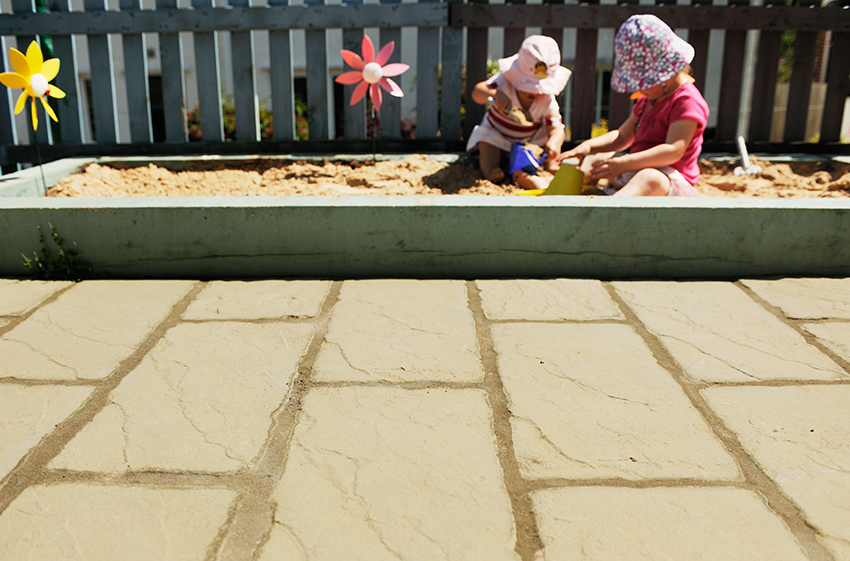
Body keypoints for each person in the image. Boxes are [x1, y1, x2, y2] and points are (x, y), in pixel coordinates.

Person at [522, 15, 709, 196]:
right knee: (595, 162)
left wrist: (624, 163)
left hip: (671, 180)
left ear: (667, 74)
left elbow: (673, 151)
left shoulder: (686, 101)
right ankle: (550, 185)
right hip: (635, 168)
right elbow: (621, 137)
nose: (640, 89)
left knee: (648, 178)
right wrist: (587, 147)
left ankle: (609, 212)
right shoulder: (649, 99)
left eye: (644, 83)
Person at [467, 35, 571, 183]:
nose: (532, 92)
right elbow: (477, 93)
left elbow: (556, 127)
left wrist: (554, 143)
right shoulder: (503, 83)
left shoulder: (546, 99)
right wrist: (495, 93)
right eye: (526, 86)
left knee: (547, 147)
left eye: (538, 88)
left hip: (530, 143)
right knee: (487, 141)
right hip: (498, 135)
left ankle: (549, 165)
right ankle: (491, 171)